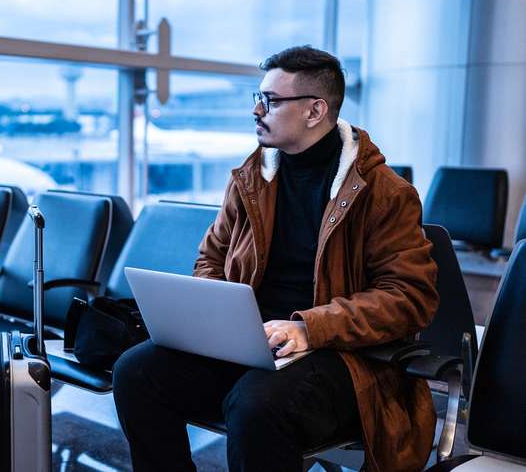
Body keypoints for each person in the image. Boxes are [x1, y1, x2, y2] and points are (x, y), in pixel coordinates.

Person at [112, 45, 439, 472]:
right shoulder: (251, 178)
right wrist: (215, 312)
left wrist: (309, 327)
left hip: (344, 358)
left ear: (314, 111)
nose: (256, 110)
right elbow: (211, 256)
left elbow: (409, 298)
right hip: (253, 344)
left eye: (270, 101)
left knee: (256, 405)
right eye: (257, 97)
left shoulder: (384, 193)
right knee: (136, 372)